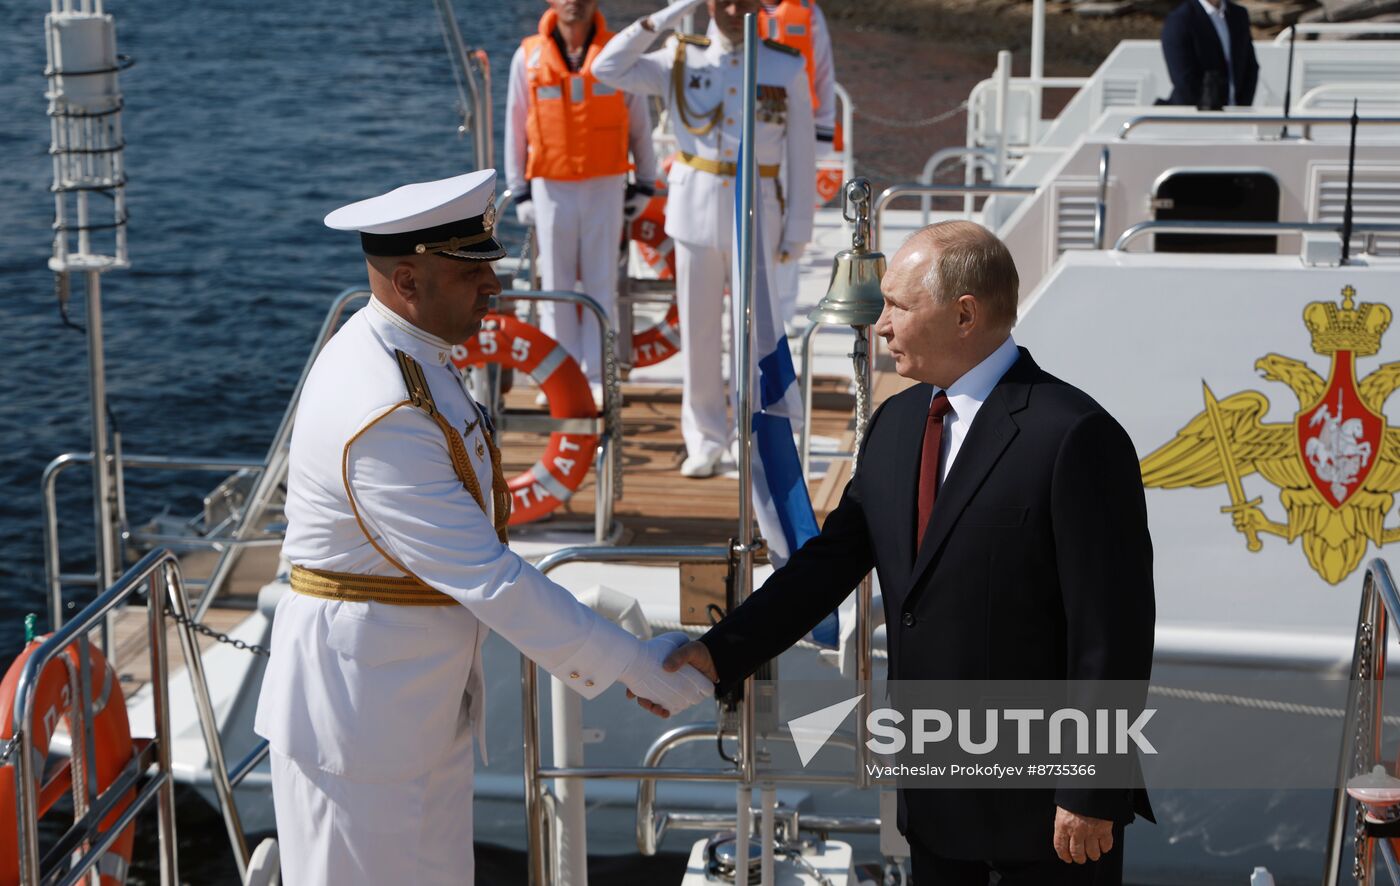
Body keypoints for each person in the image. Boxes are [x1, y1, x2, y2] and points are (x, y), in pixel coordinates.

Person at [252, 169, 712, 885]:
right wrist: (633, 664)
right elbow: (485, 575)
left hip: (406, 710)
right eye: (472, 274)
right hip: (359, 727)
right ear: (408, 281)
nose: (494, 288)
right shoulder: (383, 407)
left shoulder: (411, 359)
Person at [659, 222, 1156, 884]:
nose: (880, 325)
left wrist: (1089, 791)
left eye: (897, 305)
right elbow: (827, 564)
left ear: (964, 314)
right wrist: (719, 651)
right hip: (936, 802)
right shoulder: (896, 427)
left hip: (1048, 816)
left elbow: (1112, 631)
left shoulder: (1074, 436)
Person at [593, 0, 816, 478]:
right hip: (695, 210)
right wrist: (672, 12)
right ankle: (706, 437)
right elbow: (607, 66)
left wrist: (799, 226)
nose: (733, 9)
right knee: (699, 330)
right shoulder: (681, 56)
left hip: (759, 210)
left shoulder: (785, 64)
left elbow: (801, 151)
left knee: (753, 330)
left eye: (743, 0)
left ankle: (754, 432)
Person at [505, 0, 659, 408]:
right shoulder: (528, 56)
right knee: (554, 283)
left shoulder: (618, 53)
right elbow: (516, 124)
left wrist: (645, 182)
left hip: (605, 184)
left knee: (600, 283)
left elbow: (639, 122)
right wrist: (519, 189)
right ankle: (560, 375)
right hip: (550, 187)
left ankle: (597, 376)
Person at [759, 0, 836, 333]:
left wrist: (822, 135)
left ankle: (783, 312)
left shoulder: (809, 13)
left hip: (797, 129)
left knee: (792, 219)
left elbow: (823, 72)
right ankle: (749, 303)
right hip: (750, 131)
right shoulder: (735, 10)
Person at [1160, 0, 1259, 110]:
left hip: (1236, 115)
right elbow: (1183, 79)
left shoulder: (1239, 15)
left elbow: (1250, 67)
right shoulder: (1180, 19)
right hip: (1196, 115)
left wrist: (1241, 108)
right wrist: (1211, 109)